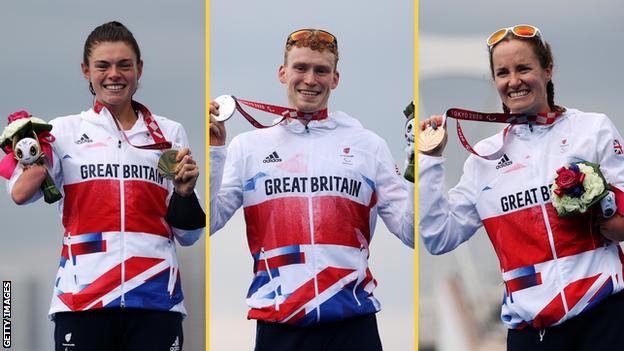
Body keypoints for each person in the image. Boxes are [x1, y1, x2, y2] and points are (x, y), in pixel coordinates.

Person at [419, 24, 624, 350]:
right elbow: (438, 237)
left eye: (524, 68)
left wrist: (606, 211)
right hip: (532, 332)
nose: (513, 81)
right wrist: (430, 160)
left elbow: (621, 223)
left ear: (548, 70)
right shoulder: (482, 159)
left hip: (604, 316)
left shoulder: (592, 129)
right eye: (503, 72)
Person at [5, 21, 204, 351]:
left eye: (124, 65)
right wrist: (33, 156)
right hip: (83, 301)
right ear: (86, 71)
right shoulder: (61, 131)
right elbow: (20, 195)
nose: (115, 74)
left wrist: (184, 193)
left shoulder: (170, 133)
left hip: (155, 301)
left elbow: (189, 235)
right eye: (103, 65)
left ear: (139, 69)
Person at [210, 29, 414, 350]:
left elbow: (413, 233)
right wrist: (214, 152)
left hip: (352, 321)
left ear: (335, 79)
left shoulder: (368, 145)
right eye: (301, 68)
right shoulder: (248, 146)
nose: (310, 79)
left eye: (321, 70)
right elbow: (207, 222)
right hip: (279, 321)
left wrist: (420, 165)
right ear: (283, 73)